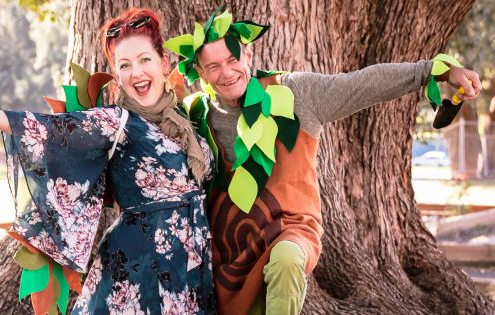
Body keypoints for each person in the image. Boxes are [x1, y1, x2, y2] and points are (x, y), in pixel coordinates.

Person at [163, 5, 482, 315]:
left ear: (248, 55)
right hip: (227, 244)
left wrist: (435, 71)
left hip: (288, 229)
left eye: (233, 59)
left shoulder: (295, 93)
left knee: (287, 261)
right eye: (213, 66)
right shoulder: (193, 113)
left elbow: (364, 83)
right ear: (200, 72)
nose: (226, 72)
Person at [0, 8, 216, 315]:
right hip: (139, 273)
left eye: (144, 59)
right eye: (125, 65)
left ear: (164, 62)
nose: (136, 72)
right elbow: (46, 129)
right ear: (117, 75)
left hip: (189, 271)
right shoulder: (116, 122)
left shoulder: (185, 123)